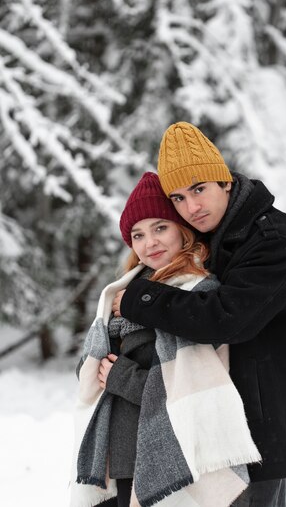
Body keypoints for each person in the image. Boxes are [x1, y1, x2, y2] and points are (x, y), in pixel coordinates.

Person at [112, 122, 286, 507]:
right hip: (222, 431)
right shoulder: (214, 238)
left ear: (224, 181)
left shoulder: (271, 239)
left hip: (265, 431)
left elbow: (227, 318)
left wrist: (140, 299)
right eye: (177, 198)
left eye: (199, 189)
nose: (191, 207)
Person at [70, 171, 260, 507]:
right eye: (138, 235)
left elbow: (193, 393)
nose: (150, 242)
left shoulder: (195, 295)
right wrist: (93, 367)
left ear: (183, 231)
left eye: (160, 228)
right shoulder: (123, 293)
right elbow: (92, 369)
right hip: (117, 460)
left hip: (165, 459)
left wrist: (119, 377)